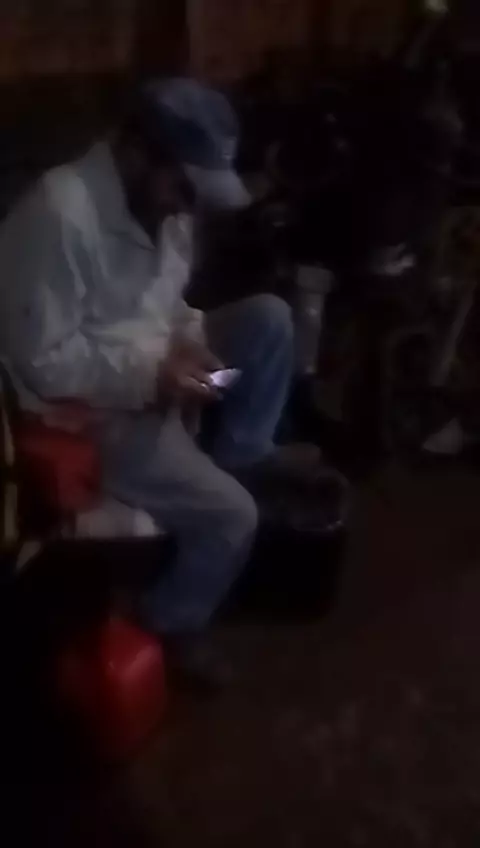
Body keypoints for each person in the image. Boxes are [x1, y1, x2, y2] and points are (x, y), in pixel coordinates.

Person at [0, 78, 322, 688]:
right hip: (96, 411)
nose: (188, 207)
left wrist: (191, 339)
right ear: (136, 152)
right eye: (184, 187)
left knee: (269, 321)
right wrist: (152, 375)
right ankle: (171, 620)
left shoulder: (167, 208)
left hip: (162, 371)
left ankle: (243, 451)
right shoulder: (60, 216)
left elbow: (171, 303)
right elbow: (40, 360)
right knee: (234, 520)